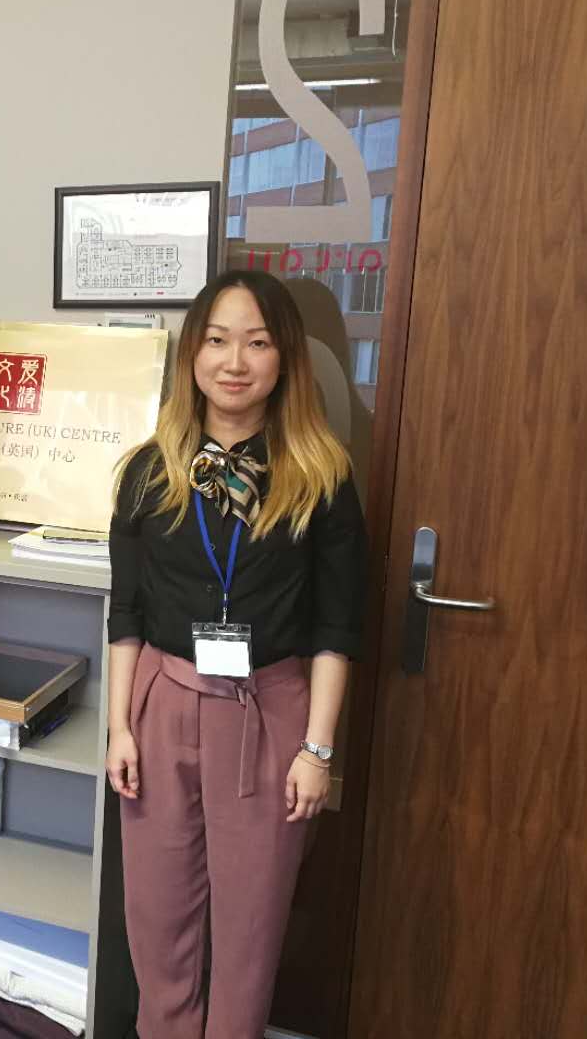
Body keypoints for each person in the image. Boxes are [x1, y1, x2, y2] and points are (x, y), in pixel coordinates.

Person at [105, 269, 367, 1038]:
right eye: (217, 341)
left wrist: (318, 750)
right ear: (193, 352)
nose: (234, 362)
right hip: (161, 703)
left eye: (256, 343)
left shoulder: (321, 477)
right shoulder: (149, 471)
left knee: (250, 932)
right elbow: (127, 614)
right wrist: (119, 727)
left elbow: (337, 628)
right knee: (158, 921)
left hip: (269, 713)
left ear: (285, 360)